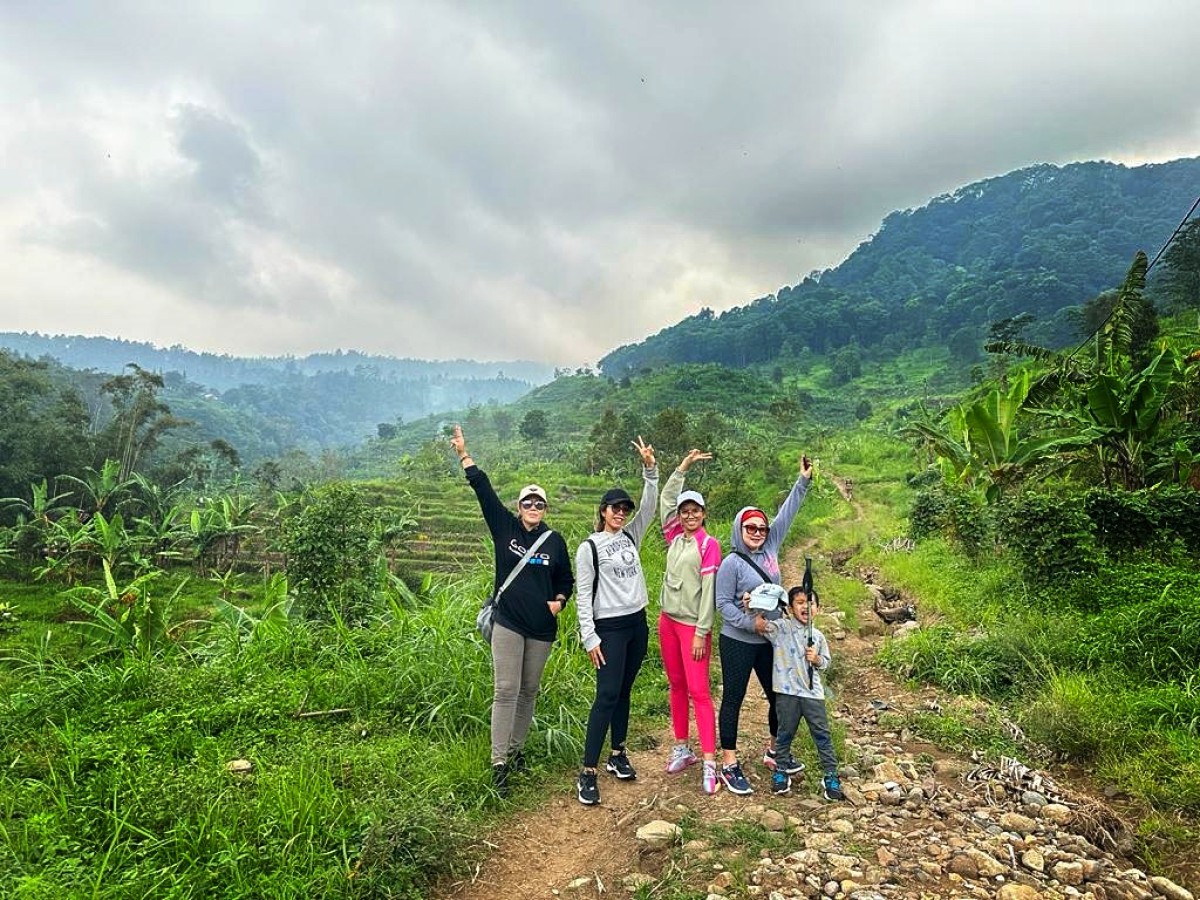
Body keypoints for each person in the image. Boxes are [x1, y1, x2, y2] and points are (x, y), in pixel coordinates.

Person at [451, 424, 574, 797]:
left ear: (545, 509)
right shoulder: (505, 528)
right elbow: (483, 490)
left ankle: (518, 752)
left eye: (539, 503)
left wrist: (560, 601)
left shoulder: (555, 541)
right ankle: (499, 762)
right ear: (519, 507)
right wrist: (463, 454)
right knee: (506, 689)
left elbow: (565, 580)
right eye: (527, 503)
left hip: (541, 629)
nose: (533, 508)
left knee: (529, 691)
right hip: (507, 622)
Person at [713, 454, 814, 795]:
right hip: (739, 641)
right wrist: (748, 623)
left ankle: (775, 751)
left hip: (772, 640)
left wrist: (802, 482)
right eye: (750, 528)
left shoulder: (771, 546)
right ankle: (729, 762)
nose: (757, 533)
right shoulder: (730, 563)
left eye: (761, 528)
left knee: (778, 697)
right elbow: (722, 604)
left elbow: (787, 513)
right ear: (739, 530)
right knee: (734, 698)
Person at [574, 437, 659, 806]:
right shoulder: (590, 546)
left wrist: (650, 470)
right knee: (606, 695)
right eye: (615, 508)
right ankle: (588, 771)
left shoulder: (631, 537)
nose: (621, 513)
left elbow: (651, 507)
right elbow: (582, 595)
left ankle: (618, 753)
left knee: (624, 692)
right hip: (607, 629)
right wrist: (589, 637)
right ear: (603, 511)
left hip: (636, 625)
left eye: (624, 508)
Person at [658, 449, 722, 795]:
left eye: (695, 510)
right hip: (668, 621)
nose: (688, 515)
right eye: (685, 511)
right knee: (676, 685)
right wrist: (682, 467)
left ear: (703, 514)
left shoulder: (708, 545)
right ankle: (682, 748)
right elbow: (667, 499)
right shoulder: (674, 538)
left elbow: (709, 593)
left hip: (692, 629)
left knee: (700, 691)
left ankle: (710, 762)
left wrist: (702, 632)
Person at [761, 586, 845, 801]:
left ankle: (830, 775)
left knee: (822, 734)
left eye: (810, 603)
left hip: (812, 693)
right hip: (786, 691)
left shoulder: (818, 637)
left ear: (818, 608)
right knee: (784, 733)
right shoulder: (781, 629)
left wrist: (816, 659)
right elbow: (760, 626)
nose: (805, 606)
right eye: (799, 602)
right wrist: (756, 606)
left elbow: (825, 663)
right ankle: (781, 770)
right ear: (790, 608)